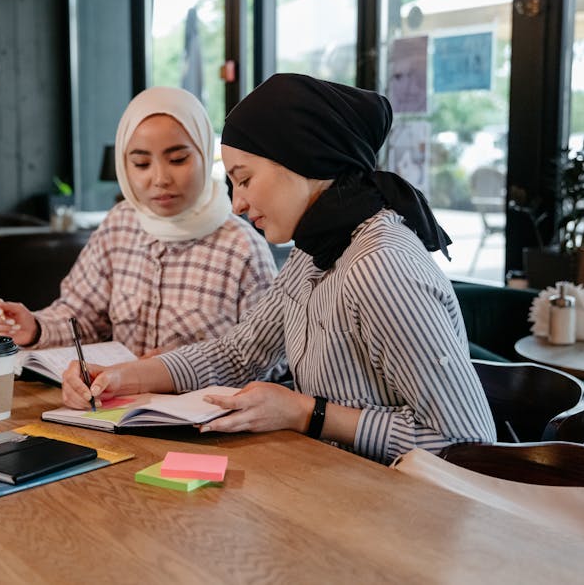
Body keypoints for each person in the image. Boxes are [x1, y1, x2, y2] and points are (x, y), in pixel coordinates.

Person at [62, 73, 497, 464]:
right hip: (332, 489)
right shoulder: (314, 250)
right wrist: (123, 377)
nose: (237, 203)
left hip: (398, 520)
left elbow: (466, 440)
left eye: (245, 179)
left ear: (302, 160)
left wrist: (308, 413)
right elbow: (239, 353)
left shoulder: (379, 266)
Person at [0, 86, 277, 358]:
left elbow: (270, 362)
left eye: (177, 160)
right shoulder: (120, 225)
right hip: (115, 407)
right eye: (141, 164)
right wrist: (35, 327)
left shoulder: (242, 248)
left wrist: (185, 366)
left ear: (203, 154)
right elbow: (82, 317)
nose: (160, 179)